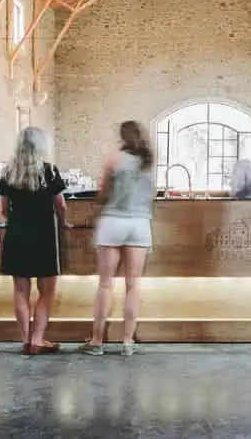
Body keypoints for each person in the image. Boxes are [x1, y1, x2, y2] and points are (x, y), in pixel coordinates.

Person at [80, 120, 155, 357]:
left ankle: (97, 341)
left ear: (122, 137)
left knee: (105, 284)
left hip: (113, 221)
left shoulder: (113, 159)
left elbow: (103, 194)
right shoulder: (148, 162)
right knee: (133, 285)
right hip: (139, 224)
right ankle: (127, 342)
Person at [0, 126, 70, 355]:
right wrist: (64, 222)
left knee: (20, 290)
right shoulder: (49, 171)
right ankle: (38, 340)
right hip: (44, 236)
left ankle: (25, 340)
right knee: (46, 291)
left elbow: (3, 208)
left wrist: (14, 220)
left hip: (17, 235)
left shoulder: (9, 172)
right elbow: (61, 205)